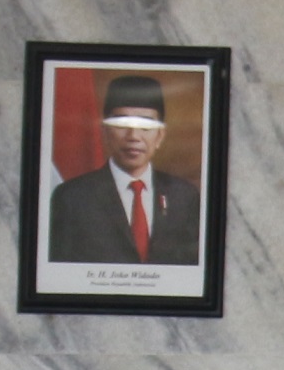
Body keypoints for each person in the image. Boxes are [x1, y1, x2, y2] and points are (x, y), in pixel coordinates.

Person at [43, 72, 201, 267]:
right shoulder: (71, 198)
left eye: (145, 125)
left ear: (160, 136)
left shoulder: (185, 197)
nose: (133, 136)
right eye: (121, 124)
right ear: (104, 131)